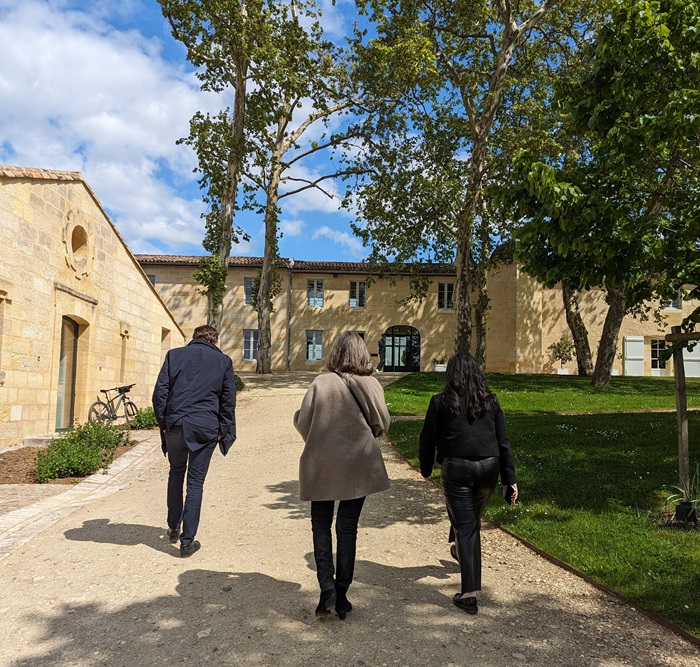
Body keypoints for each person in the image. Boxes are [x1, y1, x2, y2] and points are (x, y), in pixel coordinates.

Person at [294, 332, 391, 620]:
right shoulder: (371, 384)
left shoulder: (321, 382)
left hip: (322, 462)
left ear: (336, 353)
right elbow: (383, 424)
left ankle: (327, 587)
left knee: (320, 524)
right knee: (347, 528)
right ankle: (343, 592)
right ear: (362, 354)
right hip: (358, 463)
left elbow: (304, 424)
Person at [418, 352, 517, 615]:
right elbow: (503, 442)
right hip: (489, 468)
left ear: (450, 374)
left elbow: (427, 439)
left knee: (467, 526)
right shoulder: (490, 401)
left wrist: (426, 469)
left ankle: (469, 594)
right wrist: (510, 480)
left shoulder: (440, 402)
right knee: (469, 520)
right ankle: (460, 549)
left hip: (458, 469)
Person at [152, 325, 236, 558]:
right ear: (214, 341)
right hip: (204, 427)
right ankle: (187, 542)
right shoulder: (223, 361)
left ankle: (173, 527)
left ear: (193, 338)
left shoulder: (174, 355)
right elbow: (228, 401)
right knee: (195, 483)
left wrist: (164, 423)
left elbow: (160, 393)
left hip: (176, 424)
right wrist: (223, 429)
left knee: (176, 473)